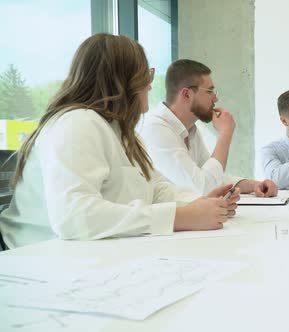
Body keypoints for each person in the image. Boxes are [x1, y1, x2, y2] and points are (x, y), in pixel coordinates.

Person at [0, 34, 239, 249]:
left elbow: (156, 189)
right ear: (121, 81)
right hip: (36, 260)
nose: (150, 84)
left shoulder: (123, 132)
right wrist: (179, 217)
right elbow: (73, 217)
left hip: (84, 255)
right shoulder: (76, 123)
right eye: (146, 75)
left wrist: (201, 204)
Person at [138, 59, 278, 197]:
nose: (215, 99)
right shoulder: (156, 130)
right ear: (186, 94)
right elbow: (202, 189)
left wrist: (254, 185)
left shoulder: (191, 130)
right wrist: (225, 134)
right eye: (209, 91)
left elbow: (213, 176)